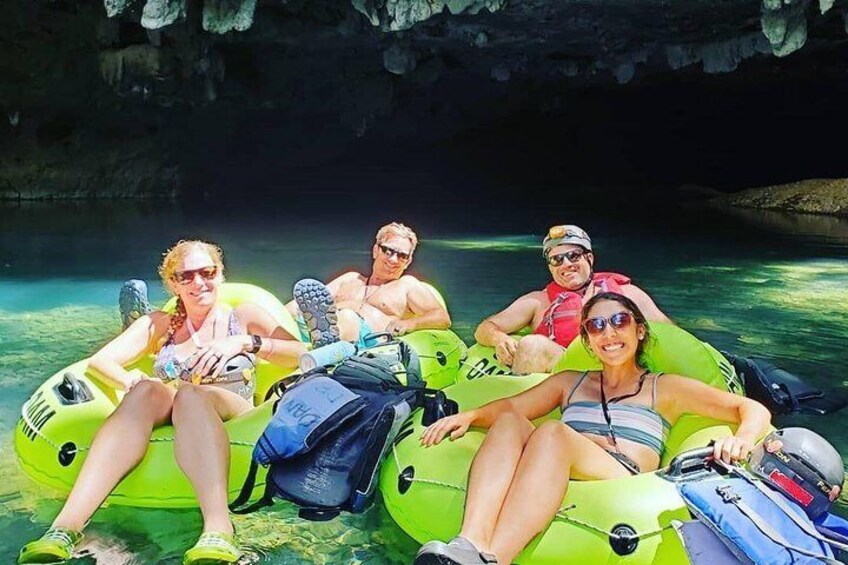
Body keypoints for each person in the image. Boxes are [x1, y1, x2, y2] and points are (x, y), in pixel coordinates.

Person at [415, 291, 772, 565]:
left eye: (619, 321)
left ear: (640, 330)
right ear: (587, 339)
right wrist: (469, 416)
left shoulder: (666, 387)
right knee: (510, 422)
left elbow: (749, 407)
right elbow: (511, 407)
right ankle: (469, 544)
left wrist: (741, 440)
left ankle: (496, 557)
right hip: (558, 466)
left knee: (553, 433)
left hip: (622, 478)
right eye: (596, 326)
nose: (609, 333)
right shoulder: (569, 381)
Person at [19, 240, 308, 565]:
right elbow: (101, 361)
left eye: (207, 272)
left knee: (190, 393)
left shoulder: (242, 316)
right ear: (173, 283)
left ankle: (219, 527)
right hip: (177, 404)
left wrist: (246, 342)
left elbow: (302, 354)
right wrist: (130, 380)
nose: (199, 283)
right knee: (146, 392)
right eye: (186, 276)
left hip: (234, 408)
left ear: (220, 275)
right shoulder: (161, 324)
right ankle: (65, 528)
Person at [474, 224, 671, 374]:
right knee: (532, 345)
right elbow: (485, 327)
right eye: (557, 260)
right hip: (567, 375)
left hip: (619, 369)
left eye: (574, 256)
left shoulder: (628, 294)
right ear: (550, 267)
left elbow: (673, 336)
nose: (566, 264)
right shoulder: (537, 302)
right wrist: (498, 338)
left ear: (589, 258)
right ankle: (526, 418)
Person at [288, 222, 451, 348]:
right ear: (375, 250)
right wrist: (289, 311)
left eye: (402, 256)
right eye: (388, 251)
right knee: (292, 309)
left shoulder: (407, 285)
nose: (394, 260)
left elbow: (442, 317)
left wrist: (409, 324)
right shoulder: (350, 279)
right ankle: (310, 336)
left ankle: (325, 341)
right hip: (320, 330)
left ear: (408, 262)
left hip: (365, 342)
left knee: (347, 317)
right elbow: (309, 301)